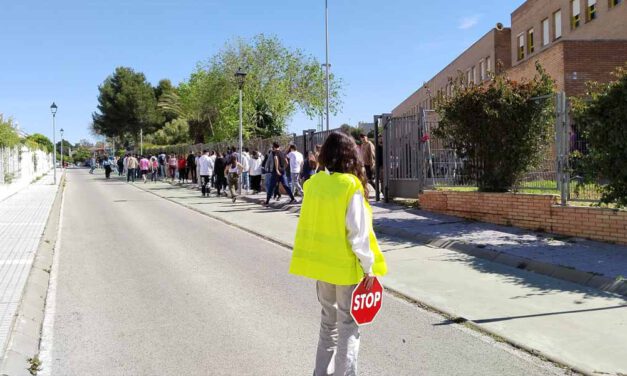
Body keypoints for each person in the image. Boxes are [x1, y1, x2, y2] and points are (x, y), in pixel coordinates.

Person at [289, 131, 387, 376]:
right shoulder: (349, 185)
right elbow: (358, 233)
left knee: (327, 325)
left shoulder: (313, 185)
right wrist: (369, 267)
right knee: (348, 327)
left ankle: (320, 373)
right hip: (346, 269)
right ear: (350, 155)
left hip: (322, 268)